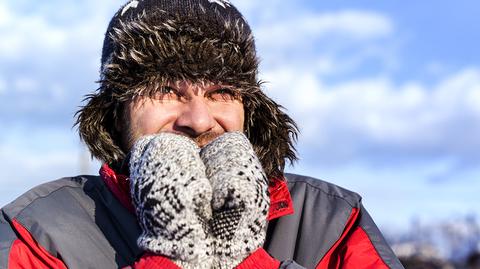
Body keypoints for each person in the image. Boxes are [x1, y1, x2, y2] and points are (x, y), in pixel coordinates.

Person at [0, 1, 405, 268]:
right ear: (116, 113)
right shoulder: (39, 232)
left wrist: (243, 256)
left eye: (221, 92)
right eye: (165, 91)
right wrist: (171, 252)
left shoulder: (332, 221)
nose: (198, 118)